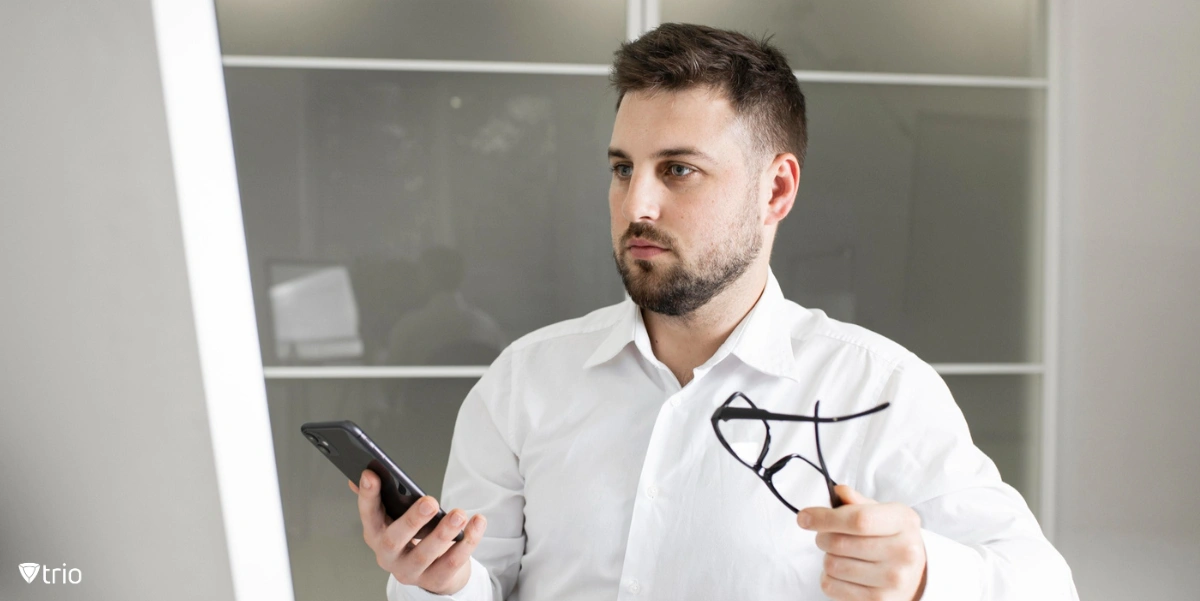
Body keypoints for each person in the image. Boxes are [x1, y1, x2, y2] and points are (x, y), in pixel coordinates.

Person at [350, 23, 1079, 601]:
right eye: (621, 167)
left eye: (679, 169)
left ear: (776, 192)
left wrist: (926, 574)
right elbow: (483, 583)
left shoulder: (879, 391)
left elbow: (1047, 587)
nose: (636, 203)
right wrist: (441, 583)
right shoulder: (524, 382)